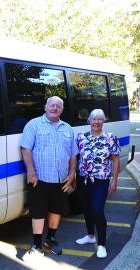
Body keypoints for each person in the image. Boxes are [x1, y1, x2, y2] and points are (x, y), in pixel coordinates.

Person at [20, 96, 78, 260]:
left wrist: (72, 173)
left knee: (56, 210)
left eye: (58, 106)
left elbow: (73, 154)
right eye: (51, 105)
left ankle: (50, 239)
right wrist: (31, 171)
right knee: (38, 212)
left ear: (62, 109)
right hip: (40, 178)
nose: (54, 108)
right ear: (45, 107)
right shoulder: (33, 125)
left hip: (61, 179)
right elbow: (26, 149)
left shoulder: (67, 128)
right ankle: (37, 244)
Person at [74, 109, 120, 258]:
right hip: (83, 179)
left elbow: (115, 159)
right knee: (86, 208)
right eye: (94, 119)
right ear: (89, 120)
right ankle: (90, 235)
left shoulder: (110, 138)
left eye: (99, 119)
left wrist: (114, 180)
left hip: (101, 179)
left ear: (103, 121)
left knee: (97, 210)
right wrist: (73, 176)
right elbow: (75, 157)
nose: (96, 122)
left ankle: (101, 244)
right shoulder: (81, 137)